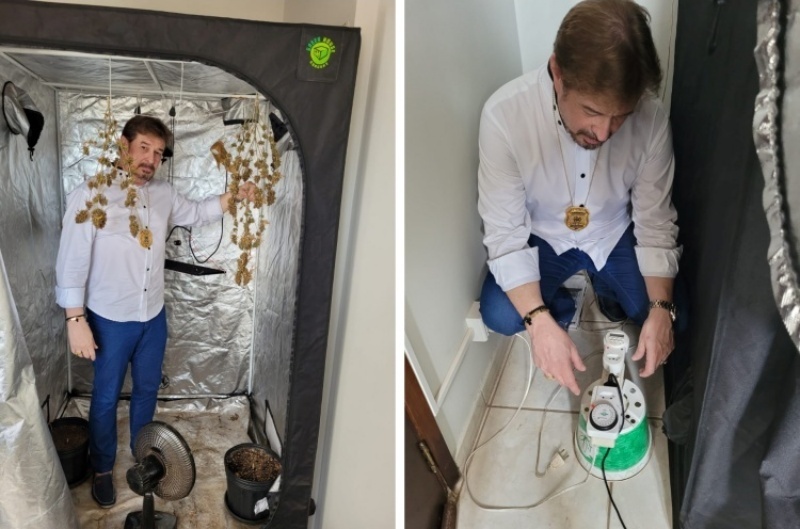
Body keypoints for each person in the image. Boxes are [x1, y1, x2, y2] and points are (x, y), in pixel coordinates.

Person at [478, 0, 681, 397]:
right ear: (558, 73)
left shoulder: (653, 117)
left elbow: (655, 220)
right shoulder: (504, 115)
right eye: (591, 111)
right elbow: (504, 232)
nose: (603, 133)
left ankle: (607, 292)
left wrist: (661, 311)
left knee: (677, 315)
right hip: (544, 235)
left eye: (620, 116)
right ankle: (558, 310)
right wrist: (539, 322)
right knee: (501, 313)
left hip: (613, 232)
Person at [55, 115, 255, 507]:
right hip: (110, 319)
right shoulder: (91, 194)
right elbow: (71, 260)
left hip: (152, 316)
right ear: (123, 145)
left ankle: (144, 456)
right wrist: (75, 320)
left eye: (159, 153)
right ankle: (102, 467)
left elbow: (196, 212)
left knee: (147, 389)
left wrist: (234, 196)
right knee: (106, 396)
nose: (151, 159)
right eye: (144, 148)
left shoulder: (163, 194)